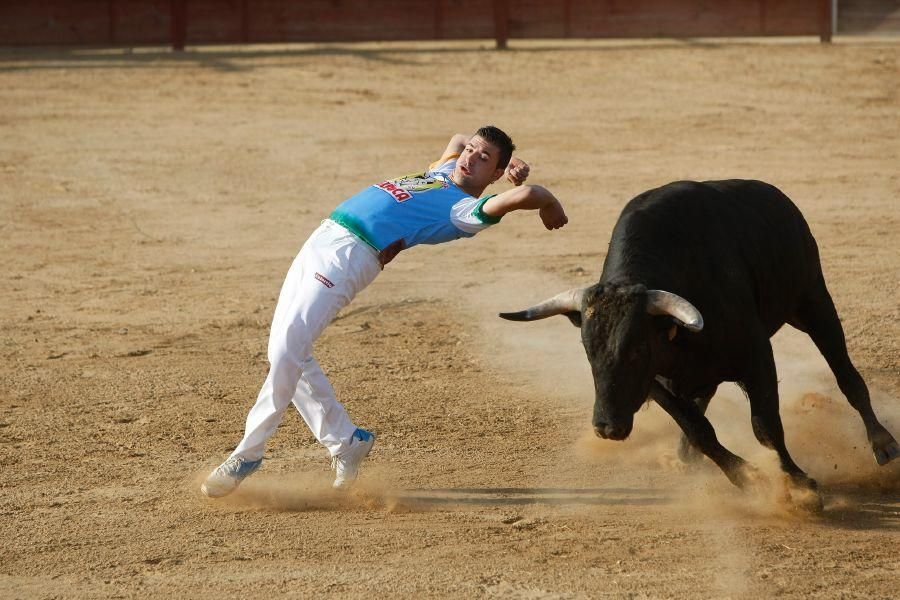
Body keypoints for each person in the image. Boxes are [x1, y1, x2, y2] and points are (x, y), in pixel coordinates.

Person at [201, 125, 568, 497]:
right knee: (287, 349)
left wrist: (547, 199)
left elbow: (527, 194)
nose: (469, 157)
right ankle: (346, 441)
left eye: (483, 159)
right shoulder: (445, 171)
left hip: (349, 257)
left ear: (493, 176)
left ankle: (248, 454)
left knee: (286, 351)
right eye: (472, 151)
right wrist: (501, 160)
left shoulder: (465, 211)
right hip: (322, 238)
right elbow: (459, 138)